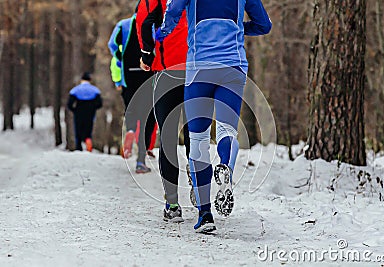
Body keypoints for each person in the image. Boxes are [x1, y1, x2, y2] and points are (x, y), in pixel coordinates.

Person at [156, 0, 272, 233]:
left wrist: (162, 32)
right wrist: (240, 27)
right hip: (233, 67)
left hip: (200, 69)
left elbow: (174, 10)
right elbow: (264, 25)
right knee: (227, 130)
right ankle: (226, 168)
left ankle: (205, 215)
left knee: (198, 140)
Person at [136, 0, 192, 222]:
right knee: (194, 134)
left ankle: (172, 203)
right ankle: (199, 186)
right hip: (195, 70)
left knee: (167, 137)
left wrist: (146, 54)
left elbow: (145, 22)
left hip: (166, 70)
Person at [108, 9, 158, 173]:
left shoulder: (123, 25)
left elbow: (112, 44)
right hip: (148, 72)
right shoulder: (153, 24)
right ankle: (140, 161)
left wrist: (121, 56)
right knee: (147, 116)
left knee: (131, 107)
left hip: (128, 73)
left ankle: (130, 129)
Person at [67, 72, 103, 152]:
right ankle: (88, 141)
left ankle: (78, 147)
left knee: (78, 130)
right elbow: (100, 104)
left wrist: (74, 110)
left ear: (81, 80)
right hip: (90, 112)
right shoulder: (95, 90)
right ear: (90, 80)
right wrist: (93, 108)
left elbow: (69, 104)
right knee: (88, 129)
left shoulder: (75, 90)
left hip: (79, 111)